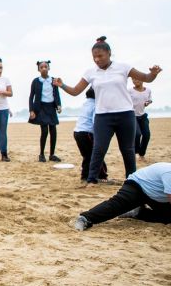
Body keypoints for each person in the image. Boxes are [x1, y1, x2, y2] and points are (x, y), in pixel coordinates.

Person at [54, 36, 162, 187]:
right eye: (94, 57)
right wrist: (62, 85)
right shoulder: (90, 72)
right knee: (99, 148)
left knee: (128, 150)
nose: (97, 60)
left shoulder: (123, 67)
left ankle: (131, 181)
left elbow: (146, 78)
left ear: (109, 53)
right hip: (103, 117)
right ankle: (91, 180)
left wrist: (154, 73)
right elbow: (75, 91)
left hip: (125, 115)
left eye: (100, 56)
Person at [73, 162, 171, 230]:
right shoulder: (169, 173)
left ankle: (137, 212)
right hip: (137, 186)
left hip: (156, 196)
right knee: (115, 205)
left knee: (167, 217)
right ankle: (85, 218)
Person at [28, 61, 62, 163]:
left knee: (53, 131)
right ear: (38, 69)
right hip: (41, 108)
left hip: (51, 107)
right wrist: (31, 110)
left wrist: (59, 105)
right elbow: (31, 97)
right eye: (41, 67)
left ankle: (52, 154)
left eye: (45, 67)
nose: (43, 68)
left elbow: (56, 93)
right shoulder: (35, 81)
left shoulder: (53, 81)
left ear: (49, 68)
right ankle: (41, 154)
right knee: (44, 131)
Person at [73, 88, 108, 182]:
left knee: (87, 155)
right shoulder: (96, 105)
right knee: (97, 154)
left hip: (77, 132)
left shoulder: (85, 104)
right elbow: (95, 121)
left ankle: (84, 176)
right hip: (87, 133)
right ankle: (102, 176)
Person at [129, 78, 152, 162]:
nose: (135, 81)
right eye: (133, 80)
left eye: (137, 79)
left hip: (143, 116)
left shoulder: (148, 90)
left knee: (147, 135)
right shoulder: (130, 91)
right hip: (132, 116)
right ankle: (135, 152)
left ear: (142, 80)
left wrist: (148, 102)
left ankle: (141, 154)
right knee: (137, 134)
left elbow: (150, 99)